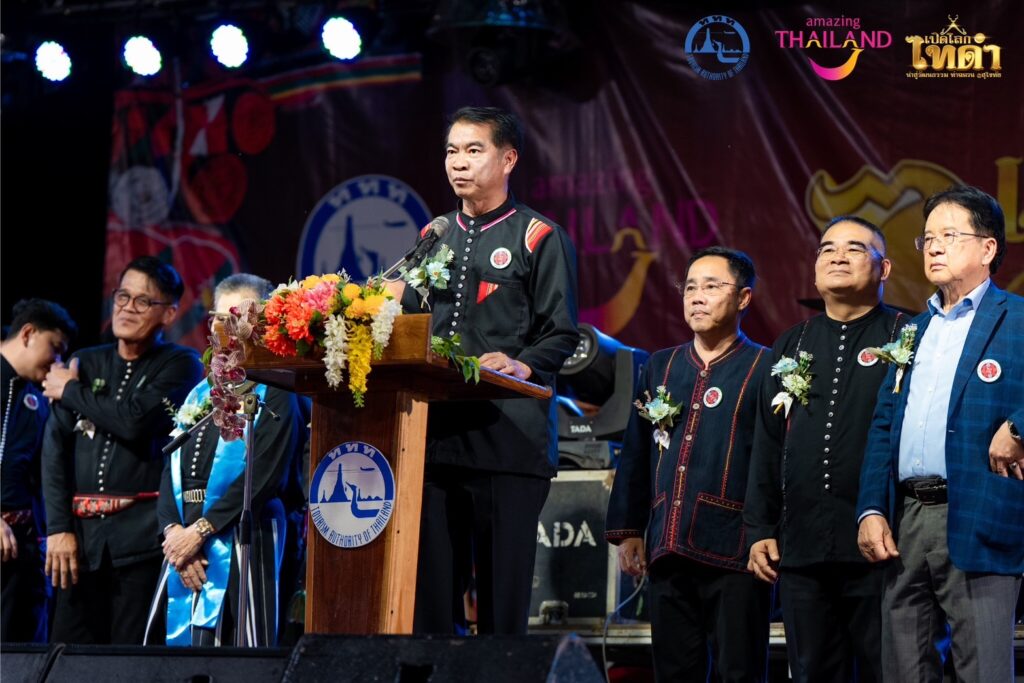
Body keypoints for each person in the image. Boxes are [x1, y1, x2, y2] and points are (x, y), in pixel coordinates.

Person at [394, 106, 579, 635]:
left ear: (508, 159)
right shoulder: (434, 234)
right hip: (435, 440)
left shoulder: (538, 236)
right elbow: (406, 318)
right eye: (452, 151)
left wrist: (523, 363)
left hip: (507, 441)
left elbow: (562, 332)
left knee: (501, 609)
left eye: (474, 150)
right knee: (432, 608)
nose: (459, 162)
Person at [856, 185, 1023, 682]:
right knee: (904, 670)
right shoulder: (913, 331)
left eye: (948, 236)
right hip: (906, 520)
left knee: (982, 671)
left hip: (980, 513)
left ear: (988, 248)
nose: (933, 247)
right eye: (927, 238)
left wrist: (1019, 428)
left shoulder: (1017, 319)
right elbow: (883, 424)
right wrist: (871, 508)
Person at [744, 216, 908, 682]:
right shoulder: (791, 343)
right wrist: (759, 527)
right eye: (827, 249)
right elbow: (767, 443)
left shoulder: (907, 335)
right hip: (802, 550)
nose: (838, 256)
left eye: (855, 248)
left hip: (884, 547)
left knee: (890, 670)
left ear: (884, 268)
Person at [606, 247, 772, 682]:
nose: (697, 296)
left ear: (743, 298)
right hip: (669, 545)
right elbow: (637, 451)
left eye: (712, 287)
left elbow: (771, 463)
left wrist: (766, 533)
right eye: (691, 288)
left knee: (740, 670)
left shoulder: (765, 367)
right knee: (675, 670)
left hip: (736, 550)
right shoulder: (660, 366)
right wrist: (629, 530)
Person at [42, 256, 204, 644]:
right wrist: (59, 528)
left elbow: (135, 421)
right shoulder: (86, 361)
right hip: (78, 542)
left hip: (141, 542)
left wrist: (70, 390)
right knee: (65, 655)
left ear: (169, 313)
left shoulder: (181, 364)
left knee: (130, 658)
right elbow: (54, 447)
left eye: (142, 301)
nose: (127, 308)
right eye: (122, 296)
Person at [143, 273, 304, 647]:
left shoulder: (277, 389)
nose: (226, 327)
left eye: (238, 316)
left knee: (238, 647)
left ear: (261, 322)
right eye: (219, 317)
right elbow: (171, 469)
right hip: (185, 545)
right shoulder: (200, 393)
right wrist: (173, 533)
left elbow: (266, 475)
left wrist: (201, 531)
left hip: (247, 534)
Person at [1, 299, 77, 642]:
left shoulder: (37, 393)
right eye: (54, 348)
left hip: (25, 550)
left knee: (24, 652)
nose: (56, 362)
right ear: (28, 333)